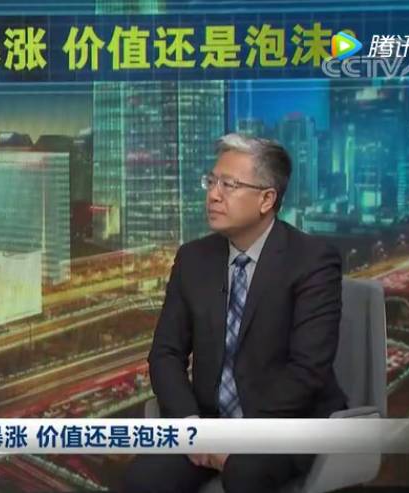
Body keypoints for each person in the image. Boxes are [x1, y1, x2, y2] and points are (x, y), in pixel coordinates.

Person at [125, 133, 347, 493]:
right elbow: (165, 354)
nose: (213, 195)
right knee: (142, 480)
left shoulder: (312, 261)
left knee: (245, 473)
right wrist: (191, 426)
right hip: (209, 422)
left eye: (229, 185)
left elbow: (308, 370)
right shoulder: (193, 259)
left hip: (285, 423)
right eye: (211, 181)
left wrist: (241, 437)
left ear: (266, 199)